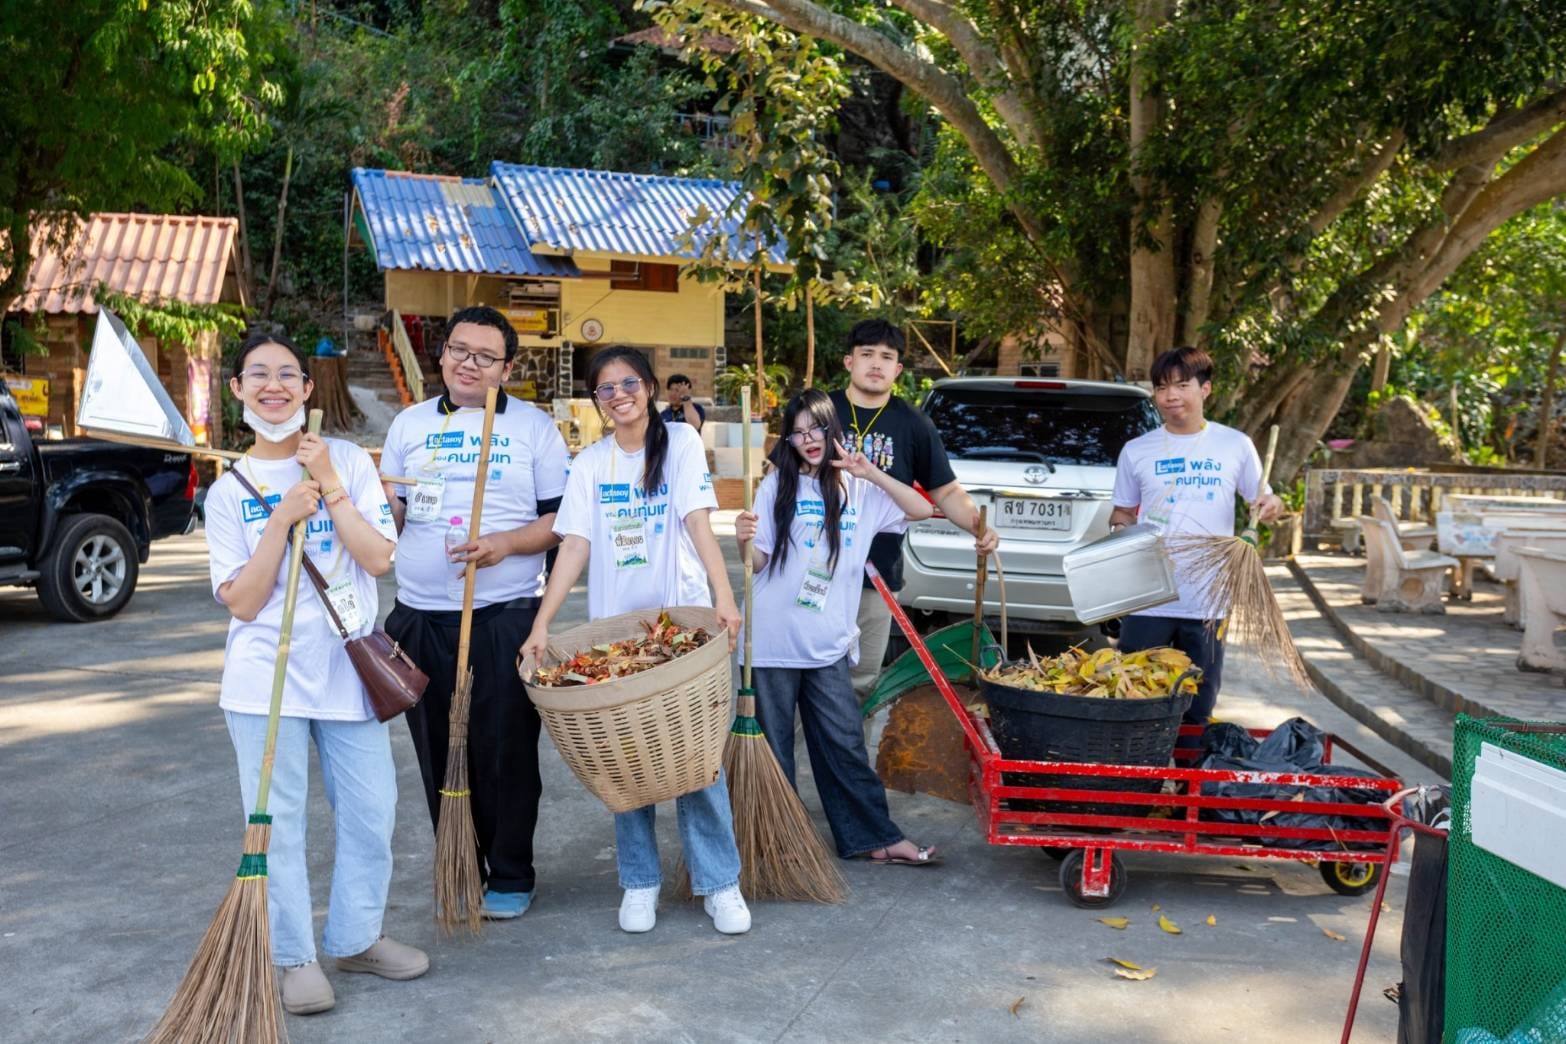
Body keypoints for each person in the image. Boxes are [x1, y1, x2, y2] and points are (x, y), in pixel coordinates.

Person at [205, 333, 427, 1016]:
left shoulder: (351, 463)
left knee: (371, 812)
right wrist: (279, 523)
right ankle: (294, 957)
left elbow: (379, 558)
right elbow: (241, 600)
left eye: (288, 375)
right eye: (258, 375)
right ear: (237, 389)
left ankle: (358, 935)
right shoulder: (226, 489)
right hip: (262, 680)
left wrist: (329, 486)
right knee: (279, 822)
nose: (274, 386)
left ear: (308, 389)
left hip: (348, 669)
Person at [521, 346, 750, 936]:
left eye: (629, 383)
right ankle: (640, 882)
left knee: (696, 760)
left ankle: (721, 884)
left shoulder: (680, 444)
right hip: (619, 636)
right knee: (626, 760)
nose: (619, 394)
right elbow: (573, 545)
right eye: (606, 388)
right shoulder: (591, 463)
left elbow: (700, 522)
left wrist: (724, 599)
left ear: (648, 386)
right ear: (595, 400)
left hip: (681, 631)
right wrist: (542, 624)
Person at [379, 306, 570, 921]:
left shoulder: (533, 428)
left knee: (505, 749)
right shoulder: (408, 424)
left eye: (486, 356)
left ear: (507, 368)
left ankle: (511, 873)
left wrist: (504, 545)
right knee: (438, 750)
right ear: (442, 356)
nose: (469, 363)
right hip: (420, 616)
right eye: (460, 350)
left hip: (502, 614)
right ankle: (460, 860)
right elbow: (395, 513)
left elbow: (560, 523)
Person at [735, 389, 941, 865]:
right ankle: (774, 843)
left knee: (844, 744)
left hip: (827, 644)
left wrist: (870, 472)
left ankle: (874, 837)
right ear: (787, 439)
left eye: (817, 429)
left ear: (834, 433)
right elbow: (758, 563)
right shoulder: (774, 488)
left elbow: (919, 508)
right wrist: (744, 541)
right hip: (770, 644)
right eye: (798, 432)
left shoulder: (860, 491)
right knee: (774, 751)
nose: (808, 440)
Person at [1108, 345, 1285, 728]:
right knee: (1134, 699)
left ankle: (1186, 783)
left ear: (1205, 389)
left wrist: (1272, 503)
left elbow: (1263, 499)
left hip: (1207, 601)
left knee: (1198, 705)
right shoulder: (1137, 451)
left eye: (1181, 385)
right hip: (1149, 598)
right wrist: (1122, 538)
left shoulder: (1234, 445)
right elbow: (1122, 512)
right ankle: (1141, 783)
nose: (1170, 396)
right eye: (1161, 388)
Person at [830, 319, 999, 700]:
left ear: (898, 369)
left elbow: (946, 490)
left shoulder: (914, 424)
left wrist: (978, 526)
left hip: (874, 576)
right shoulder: (820, 411)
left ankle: (849, 760)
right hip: (813, 567)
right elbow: (779, 477)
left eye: (886, 357)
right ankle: (783, 760)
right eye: (867, 354)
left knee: (861, 684)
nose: (876, 363)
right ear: (848, 362)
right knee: (801, 673)